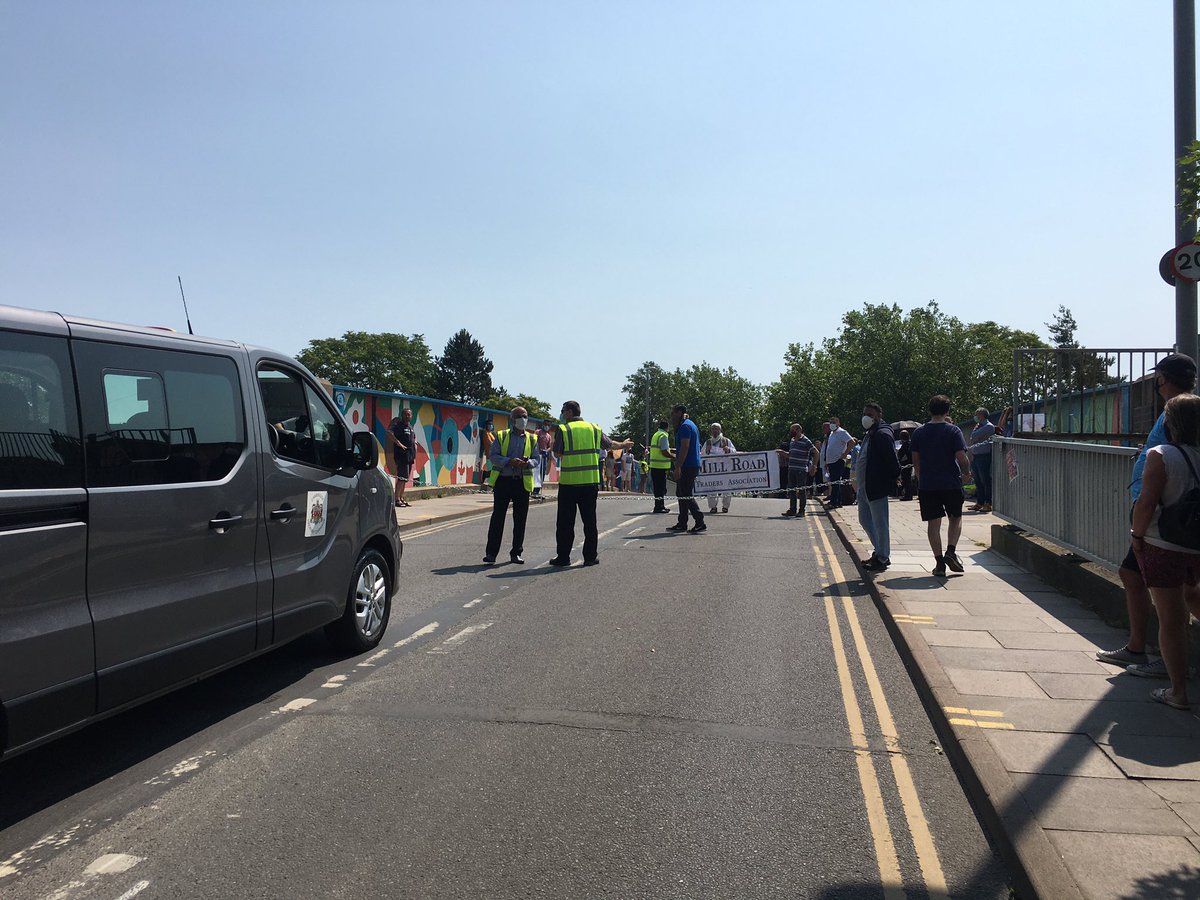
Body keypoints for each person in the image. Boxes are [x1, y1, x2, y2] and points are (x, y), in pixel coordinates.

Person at [1097, 353, 1198, 676]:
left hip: (1165, 521)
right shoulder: (1182, 409)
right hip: (1168, 518)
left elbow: (1169, 464)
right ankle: (1139, 647)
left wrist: (1138, 531)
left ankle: (1165, 663)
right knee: (1137, 576)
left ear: (1163, 379)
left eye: (1158, 378)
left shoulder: (1179, 412)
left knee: (1173, 598)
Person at [1129, 393, 1200, 710]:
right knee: (1193, 597)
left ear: (1171, 423)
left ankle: (1178, 692)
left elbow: (1147, 501)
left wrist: (1136, 534)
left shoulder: (1161, 454)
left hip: (1164, 544)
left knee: (1171, 619)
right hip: (1196, 545)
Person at [550, 401, 632, 567]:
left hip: (569, 484)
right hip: (590, 483)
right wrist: (623, 444)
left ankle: (563, 557)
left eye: (563, 411)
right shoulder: (594, 429)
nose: (562, 414)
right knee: (590, 522)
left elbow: (557, 453)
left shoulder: (564, 430)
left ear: (569, 412)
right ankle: (590, 557)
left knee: (566, 523)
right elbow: (610, 444)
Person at [910, 395, 971, 577]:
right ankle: (950, 552)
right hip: (950, 482)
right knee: (955, 518)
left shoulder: (918, 433)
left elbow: (916, 461)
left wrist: (921, 479)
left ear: (930, 410)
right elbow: (961, 457)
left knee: (933, 523)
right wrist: (966, 472)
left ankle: (939, 564)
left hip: (928, 484)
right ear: (947, 411)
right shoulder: (953, 431)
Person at [483, 407, 536, 565]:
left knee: (520, 520)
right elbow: (493, 455)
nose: (523, 419)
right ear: (512, 419)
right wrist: (509, 461)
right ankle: (491, 554)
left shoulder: (532, 439)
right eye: (519, 416)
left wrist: (527, 463)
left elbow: (537, 459)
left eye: (525, 416)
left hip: (522, 482)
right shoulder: (502, 435)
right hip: (503, 481)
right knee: (497, 518)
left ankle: (516, 553)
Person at [857, 403, 901, 571]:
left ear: (878, 416)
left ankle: (882, 557)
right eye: (864, 413)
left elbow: (892, 459)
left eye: (870, 414)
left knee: (880, 523)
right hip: (864, 486)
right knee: (865, 520)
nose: (866, 417)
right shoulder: (871, 433)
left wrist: (895, 477)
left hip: (876, 486)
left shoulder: (882, 434)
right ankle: (880, 551)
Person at [666, 404, 706, 534]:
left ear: (679, 413)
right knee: (681, 493)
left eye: (673, 413)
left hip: (688, 465)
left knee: (686, 494)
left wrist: (678, 467)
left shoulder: (685, 427)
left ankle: (700, 521)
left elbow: (685, 447)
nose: (672, 416)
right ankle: (682, 523)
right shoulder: (690, 424)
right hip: (690, 464)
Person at [776, 423, 816, 517]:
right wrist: (781, 452)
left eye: (793, 430)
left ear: (798, 430)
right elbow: (791, 455)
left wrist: (814, 466)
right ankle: (792, 509)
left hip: (801, 469)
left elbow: (816, 452)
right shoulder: (792, 440)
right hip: (791, 469)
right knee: (791, 490)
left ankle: (801, 510)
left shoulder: (806, 441)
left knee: (801, 490)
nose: (791, 432)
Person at [702, 422, 736, 513]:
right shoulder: (708, 442)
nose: (715, 431)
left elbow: (734, 452)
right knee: (712, 489)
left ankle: (725, 506)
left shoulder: (726, 441)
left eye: (716, 429)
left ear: (720, 430)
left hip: (725, 469)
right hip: (712, 470)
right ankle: (713, 506)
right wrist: (706, 451)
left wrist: (728, 449)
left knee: (726, 488)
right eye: (713, 429)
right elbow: (702, 454)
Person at [968, 408, 997, 512]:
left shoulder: (988, 426)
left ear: (982, 415)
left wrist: (975, 434)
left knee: (985, 480)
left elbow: (974, 436)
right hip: (976, 456)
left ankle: (988, 503)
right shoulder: (979, 426)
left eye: (977, 415)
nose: (975, 417)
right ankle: (979, 503)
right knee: (978, 481)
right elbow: (973, 438)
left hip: (984, 456)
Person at [822, 416, 854, 508]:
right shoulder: (832, 433)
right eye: (831, 422)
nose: (832, 423)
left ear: (838, 423)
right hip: (831, 461)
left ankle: (834, 502)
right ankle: (838, 501)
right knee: (834, 482)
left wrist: (845, 454)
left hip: (838, 461)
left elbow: (851, 442)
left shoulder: (842, 432)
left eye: (834, 422)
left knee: (835, 482)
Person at [389, 407, 416, 508]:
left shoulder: (410, 426)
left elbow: (413, 438)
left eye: (409, 414)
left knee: (405, 479)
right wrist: (399, 443)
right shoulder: (398, 425)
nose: (408, 416)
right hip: (402, 455)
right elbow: (390, 433)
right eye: (406, 414)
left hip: (410, 455)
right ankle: (396, 499)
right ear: (403, 415)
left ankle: (401, 498)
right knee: (401, 478)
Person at [648, 419, 674, 513]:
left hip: (654, 465)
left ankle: (658, 506)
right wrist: (674, 457)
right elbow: (664, 451)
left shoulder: (656, 435)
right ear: (667, 427)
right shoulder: (663, 436)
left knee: (657, 488)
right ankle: (660, 507)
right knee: (661, 488)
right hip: (661, 466)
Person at [896, 430, 914, 501]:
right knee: (908, 480)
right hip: (910, 463)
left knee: (906, 480)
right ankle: (908, 494)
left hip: (906, 464)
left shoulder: (905, 445)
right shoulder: (910, 443)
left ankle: (908, 495)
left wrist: (899, 459)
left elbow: (901, 454)